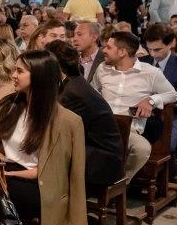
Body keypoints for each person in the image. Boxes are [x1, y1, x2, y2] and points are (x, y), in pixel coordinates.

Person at [0, 50, 88, 225]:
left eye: (20, 71)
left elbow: (51, 172)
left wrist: (9, 176)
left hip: (40, 183)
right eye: (15, 70)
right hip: (7, 171)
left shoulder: (67, 121)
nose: (14, 75)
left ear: (39, 76)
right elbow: (1, 147)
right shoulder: (10, 105)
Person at [93, 31, 177, 177]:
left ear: (122, 52)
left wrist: (151, 101)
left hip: (129, 129)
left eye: (108, 47)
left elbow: (172, 95)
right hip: (102, 126)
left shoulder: (150, 73)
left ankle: (121, 181)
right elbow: (92, 92)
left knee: (142, 148)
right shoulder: (102, 69)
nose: (103, 50)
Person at [46, 41, 124, 187]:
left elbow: (61, 132)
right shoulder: (71, 82)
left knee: (48, 156)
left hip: (102, 162)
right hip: (91, 151)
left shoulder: (73, 93)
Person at [141, 23, 177, 154]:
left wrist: (153, 102)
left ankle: (164, 172)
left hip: (173, 115)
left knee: (164, 146)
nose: (153, 54)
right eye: (149, 49)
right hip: (142, 113)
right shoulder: (142, 62)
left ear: (171, 43)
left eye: (158, 49)